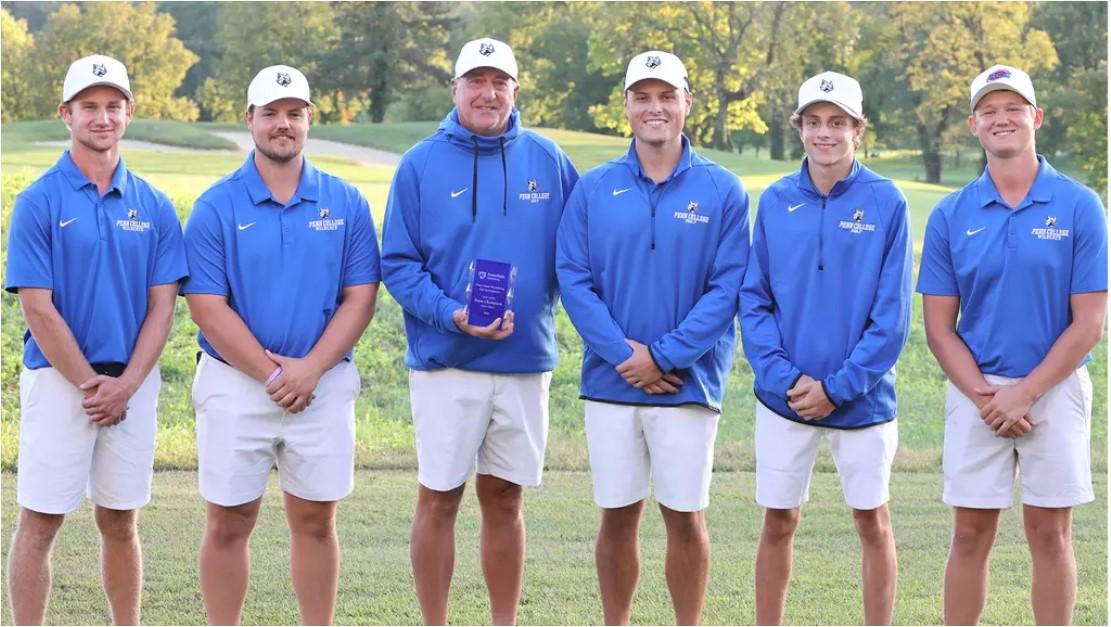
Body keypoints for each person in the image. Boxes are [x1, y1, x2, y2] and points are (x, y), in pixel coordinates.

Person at [380, 37, 578, 625]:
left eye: (500, 82)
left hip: (522, 363)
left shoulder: (549, 161)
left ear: (516, 91)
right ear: (456, 89)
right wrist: (450, 313)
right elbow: (397, 264)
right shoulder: (420, 163)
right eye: (476, 81)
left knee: (506, 500)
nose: (488, 93)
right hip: (446, 362)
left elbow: (579, 258)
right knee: (438, 498)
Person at [181, 64, 380, 625]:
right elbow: (207, 307)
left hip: (322, 385)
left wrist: (309, 371)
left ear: (309, 119)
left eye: (294, 113)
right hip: (234, 384)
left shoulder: (345, 201)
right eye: (270, 113)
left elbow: (360, 298)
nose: (283, 124)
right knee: (228, 521)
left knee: (316, 520)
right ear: (250, 120)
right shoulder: (217, 205)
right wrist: (275, 377)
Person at [556, 50, 749, 626]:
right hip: (612, 381)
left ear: (688, 102)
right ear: (627, 106)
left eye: (667, 96)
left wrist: (662, 356)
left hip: (687, 384)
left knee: (684, 516)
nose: (655, 107)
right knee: (617, 514)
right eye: (642, 96)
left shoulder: (723, 189)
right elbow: (574, 278)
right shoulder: (594, 188)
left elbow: (728, 287)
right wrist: (625, 356)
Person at [917, 65, 1106, 626]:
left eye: (1014, 108)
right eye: (990, 111)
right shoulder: (952, 213)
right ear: (974, 125)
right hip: (977, 391)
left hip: (1055, 386)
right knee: (971, 532)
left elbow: (1090, 321)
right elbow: (938, 327)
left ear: (1036, 118)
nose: (1002, 119)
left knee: (1050, 532)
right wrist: (986, 398)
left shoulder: (1078, 205)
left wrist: (1023, 394)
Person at [4, 54, 187, 626]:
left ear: (128, 112)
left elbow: (163, 306)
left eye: (113, 106)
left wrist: (125, 385)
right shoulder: (39, 200)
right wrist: (92, 384)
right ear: (66, 114)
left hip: (131, 385)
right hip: (61, 384)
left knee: (121, 521)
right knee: (40, 522)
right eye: (89, 106)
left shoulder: (154, 204)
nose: (102, 117)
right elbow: (38, 307)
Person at [739, 71, 913, 626]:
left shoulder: (887, 201)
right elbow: (755, 299)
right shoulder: (775, 200)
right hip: (783, 396)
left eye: (837, 122)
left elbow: (891, 317)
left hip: (860, 398)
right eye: (813, 122)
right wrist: (783, 378)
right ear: (799, 128)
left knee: (872, 521)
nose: (824, 134)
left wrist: (837, 387)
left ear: (858, 130)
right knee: (778, 520)